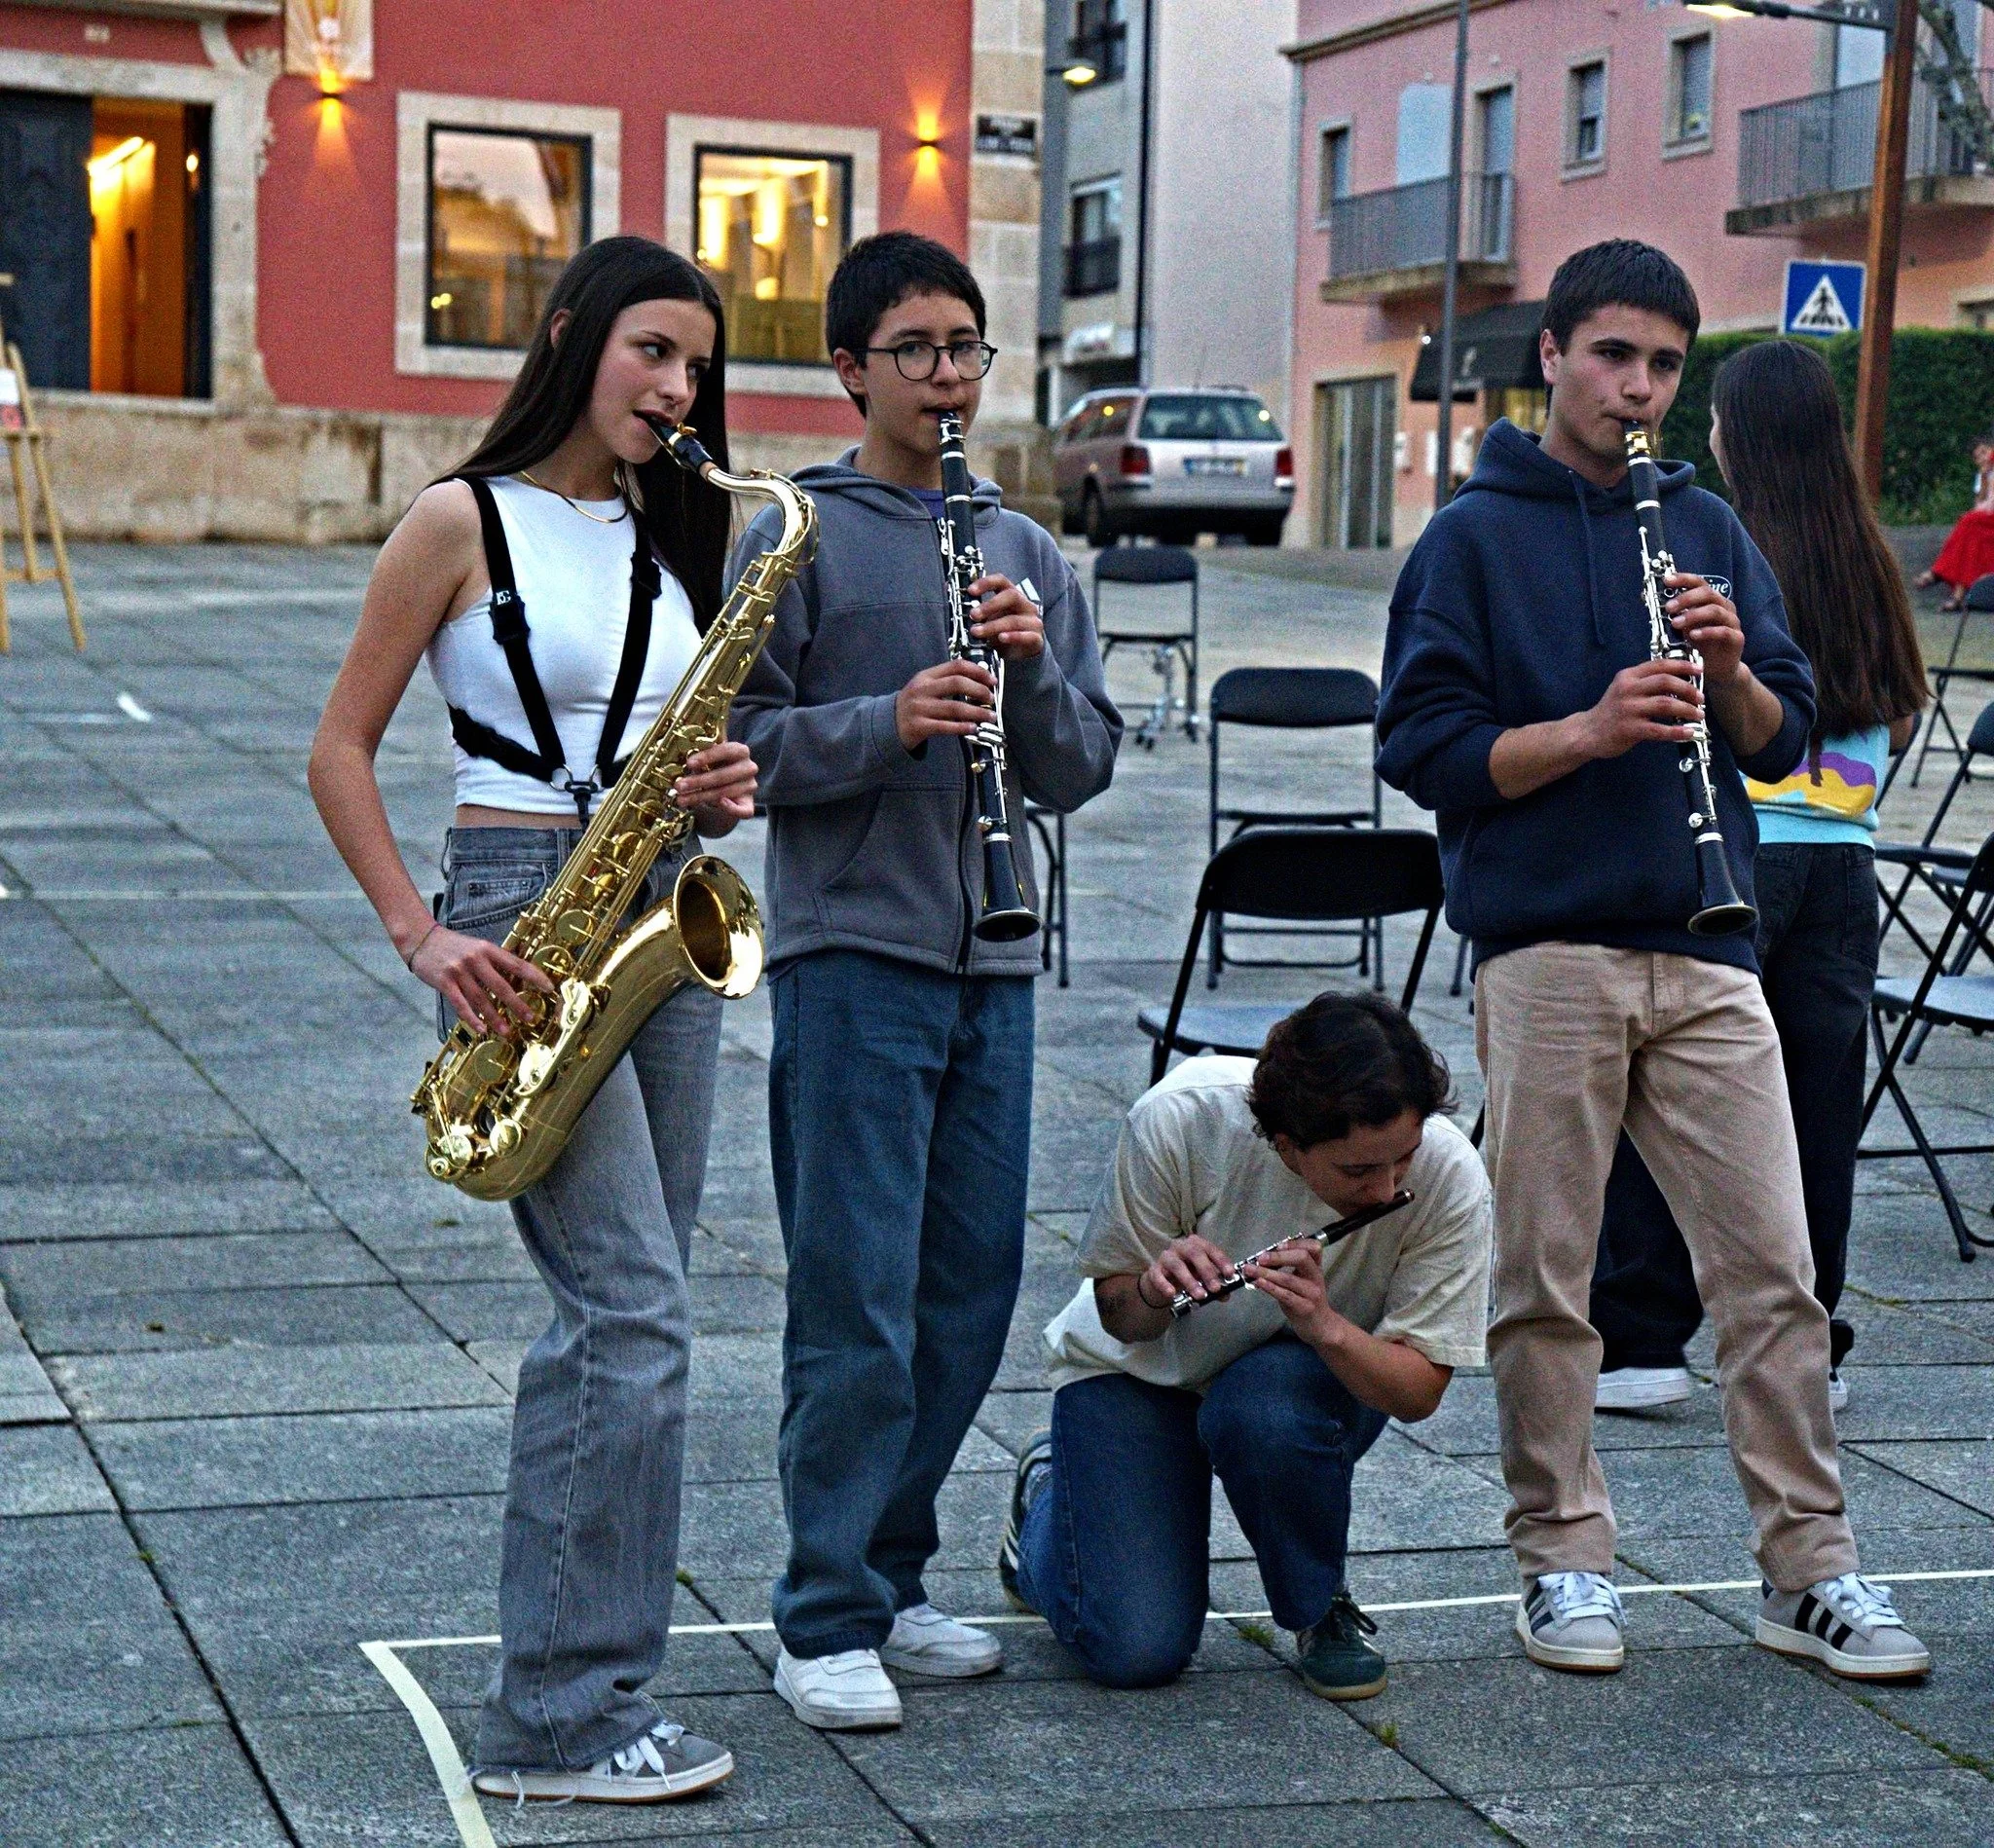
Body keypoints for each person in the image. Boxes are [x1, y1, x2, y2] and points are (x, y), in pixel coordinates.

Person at [1375, 239, 1930, 1682]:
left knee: (1774, 1271)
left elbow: (1785, 736)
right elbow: (1423, 749)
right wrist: (1588, 729)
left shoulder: (1704, 523)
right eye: (1614, 355)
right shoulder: (1469, 538)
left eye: (1665, 366)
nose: (1638, 388)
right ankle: (1561, 1558)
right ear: (1551, 353)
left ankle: (1809, 1570)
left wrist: (1735, 669)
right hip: (1549, 944)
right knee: (1548, 1277)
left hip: (1708, 941)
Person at [309, 238, 754, 1802]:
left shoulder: (669, 524)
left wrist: (718, 783)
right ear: (571, 340)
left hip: (662, 892)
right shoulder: (456, 517)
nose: (675, 387)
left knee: (633, 1316)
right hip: (516, 897)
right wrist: (423, 937)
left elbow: (657, 729)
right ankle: (559, 1711)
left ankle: (593, 1678)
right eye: (650, 351)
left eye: (694, 364)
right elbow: (339, 750)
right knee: (633, 1315)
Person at [728, 231, 1122, 1731]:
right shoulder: (795, 535)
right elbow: (737, 752)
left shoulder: (1021, 548)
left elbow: (1080, 766)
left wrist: (1023, 678)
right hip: (854, 957)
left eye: (968, 346)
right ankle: (822, 1608)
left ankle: (891, 1575)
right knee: (856, 1299)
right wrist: (885, 720)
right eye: (918, 349)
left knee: (966, 1293)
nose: (950, 373)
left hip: (994, 960)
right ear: (852, 368)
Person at [1590, 339, 1928, 1419]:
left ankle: (1641, 1336)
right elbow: (1902, 699)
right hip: (1843, 858)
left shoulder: (1723, 548)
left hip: (1738, 847)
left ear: (1740, 437)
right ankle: (1807, 1328)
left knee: (1663, 1085)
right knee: (1814, 1113)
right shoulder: (1863, 551)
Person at [1000, 995, 1491, 1700]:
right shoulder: (1180, 1119)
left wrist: (1326, 1325)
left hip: (1300, 1381)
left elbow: (1417, 1393)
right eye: (1357, 1172)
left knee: (1264, 1408)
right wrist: (1150, 1290)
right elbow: (1117, 1317)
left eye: (1403, 1158)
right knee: (1134, 1650)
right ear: (1285, 1142)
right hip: (1140, 1373)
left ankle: (1319, 1607)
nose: (1387, 1187)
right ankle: (1048, 1499)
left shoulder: (1446, 1172)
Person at [1915, 432, 1994, 610]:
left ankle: (1937, 573)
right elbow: (1979, 505)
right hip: (1987, 522)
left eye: (1984, 452)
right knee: (1971, 538)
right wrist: (1983, 479)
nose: (1982, 458)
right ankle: (1957, 596)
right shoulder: (1982, 476)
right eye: (1977, 457)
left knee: (1967, 522)